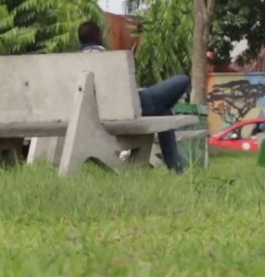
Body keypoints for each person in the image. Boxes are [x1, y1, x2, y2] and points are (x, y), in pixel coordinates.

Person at [78, 20, 190, 173]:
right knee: (182, 80)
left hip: (93, 115)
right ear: (99, 37)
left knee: (163, 112)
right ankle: (176, 167)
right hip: (134, 106)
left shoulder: (74, 64)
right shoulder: (109, 59)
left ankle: (177, 167)